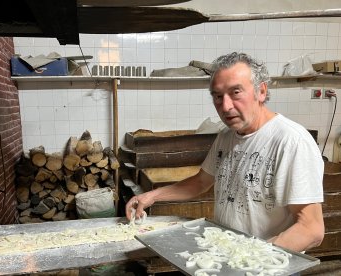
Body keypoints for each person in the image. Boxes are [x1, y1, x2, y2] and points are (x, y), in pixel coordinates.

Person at [126, 52, 325, 253]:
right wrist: (152, 196)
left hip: (266, 266)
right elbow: (201, 182)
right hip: (225, 255)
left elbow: (311, 229)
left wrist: (256, 259)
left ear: (261, 91)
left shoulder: (291, 141)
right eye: (218, 96)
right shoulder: (227, 136)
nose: (225, 106)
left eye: (236, 92)